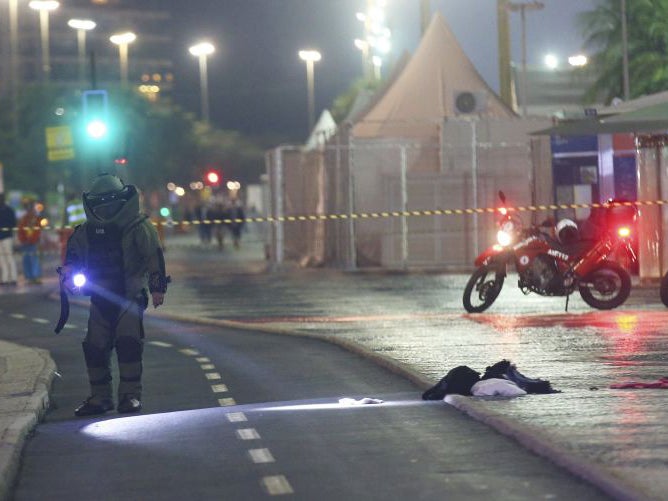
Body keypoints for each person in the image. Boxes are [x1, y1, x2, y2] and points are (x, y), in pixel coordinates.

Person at [61, 173, 170, 416]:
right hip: (100, 297)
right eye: (101, 202)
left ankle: (130, 395)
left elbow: (154, 257)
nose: (106, 207)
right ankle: (100, 397)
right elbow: (74, 257)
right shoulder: (85, 232)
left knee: (128, 343)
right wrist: (69, 274)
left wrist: (157, 287)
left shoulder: (138, 227)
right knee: (95, 347)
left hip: (129, 295)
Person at [17, 197, 42, 284]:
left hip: (32, 242)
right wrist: (23, 240)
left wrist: (32, 240)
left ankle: (35, 277)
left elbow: (37, 231)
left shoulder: (35, 219)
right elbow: (20, 230)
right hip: (26, 243)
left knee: (33, 259)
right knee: (27, 260)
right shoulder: (24, 218)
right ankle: (30, 277)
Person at [0, 193, 18, 286]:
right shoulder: (10, 210)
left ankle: (12, 278)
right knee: (2, 259)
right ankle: (5, 279)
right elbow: (14, 223)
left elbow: (13, 224)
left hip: (7, 237)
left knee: (8, 258)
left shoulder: (9, 210)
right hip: (6, 236)